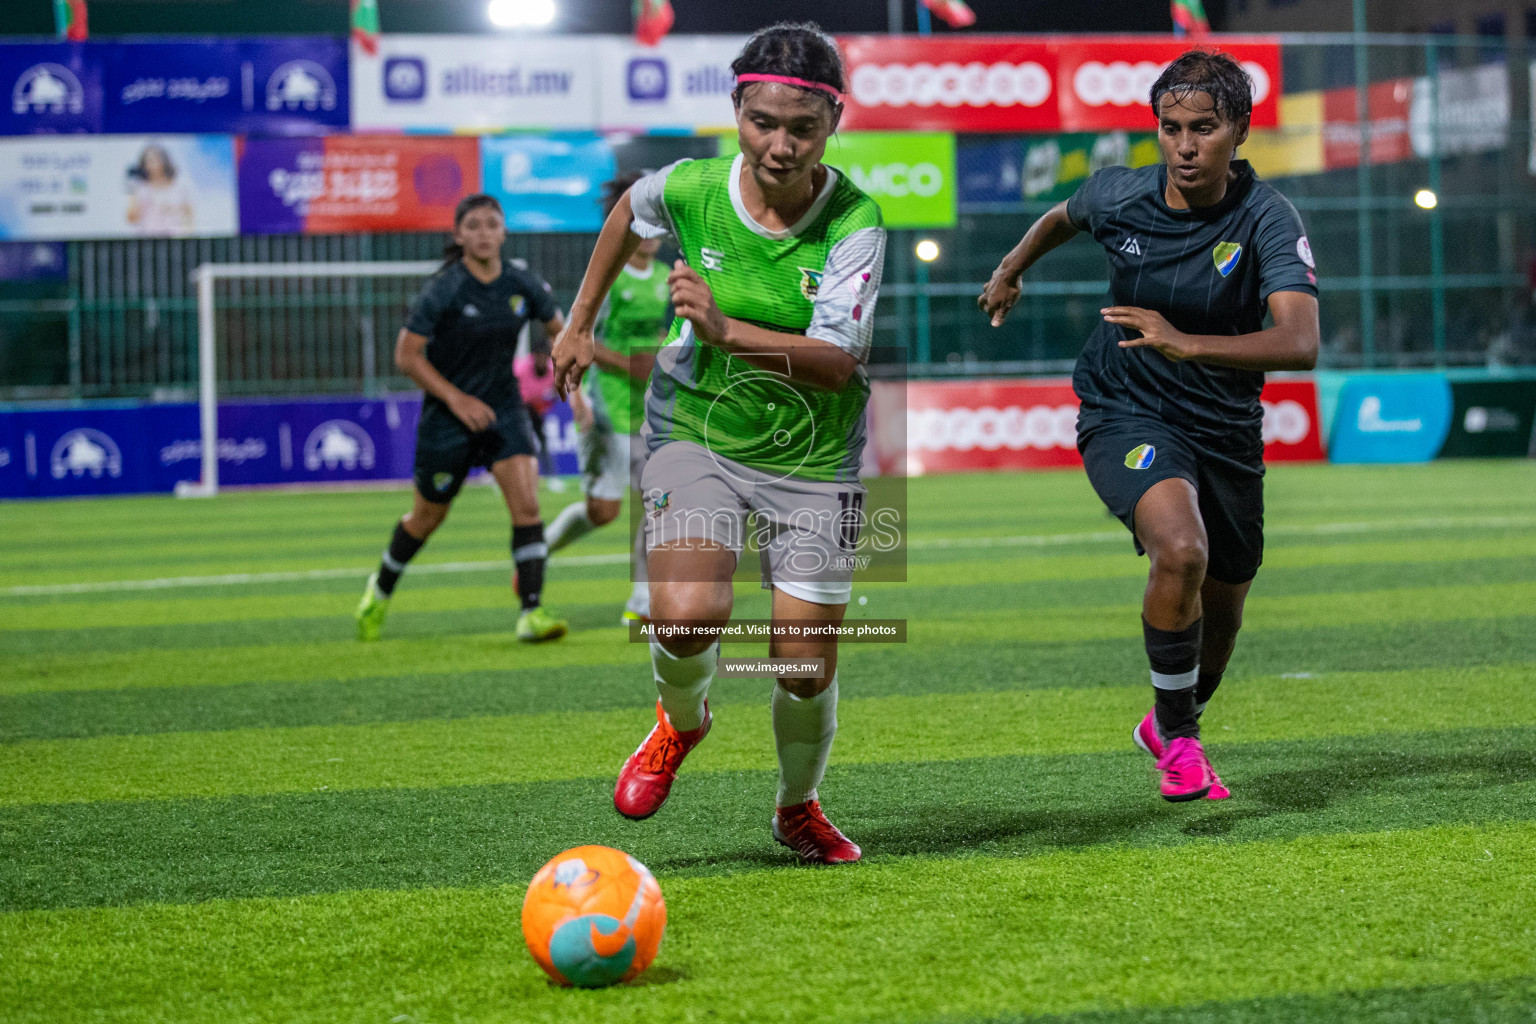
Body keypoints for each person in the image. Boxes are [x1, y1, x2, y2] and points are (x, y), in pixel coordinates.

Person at [551, 22, 885, 864]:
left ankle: (796, 806)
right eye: (762, 122)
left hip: (815, 453)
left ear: (831, 125)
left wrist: (727, 329)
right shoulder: (693, 188)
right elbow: (629, 209)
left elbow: (838, 365)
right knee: (690, 613)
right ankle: (680, 721)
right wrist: (579, 321)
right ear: (737, 108)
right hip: (696, 428)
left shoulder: (856, 220)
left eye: (802, 129)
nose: (780, 145)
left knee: (802, 665)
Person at [978, 51, 1320, 803]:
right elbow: (1061, 216)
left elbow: (1300, 341)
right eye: (1170, 129)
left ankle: (1171, 720)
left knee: (1223, 619)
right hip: (1124, 407)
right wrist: (1011, 266)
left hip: (1224, 427)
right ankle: (1183, 744)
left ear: (1239, 130)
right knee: (1182, 548)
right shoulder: (1120, 195)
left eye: (1205, 128)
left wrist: (1186, 341)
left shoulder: (1267, 217)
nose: (1186, 145)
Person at [356, 193, 569, 643]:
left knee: (528, 506)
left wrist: (572, 375)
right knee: (425, 518)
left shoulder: (520, 282)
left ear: (504, 231)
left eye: (492, 224)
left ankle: (531, 611)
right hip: (447, 419)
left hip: (504, 410)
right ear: (458, 235)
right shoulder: (445, 288)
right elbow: (407, 356)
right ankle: (379, 591)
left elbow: (561, 331)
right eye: (473, 226)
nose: (484, 233)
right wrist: (457, 400)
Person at [546, 172, 667, 624]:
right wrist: (580, 398)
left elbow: (654, 336)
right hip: (608, 403)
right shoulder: (608, 281)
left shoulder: (662, 277)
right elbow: (581, 339)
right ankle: (541, 547)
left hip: (651, 407)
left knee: (655, 502)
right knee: (604, 512)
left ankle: (640, 603)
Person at [126, 144, 193, 237]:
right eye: (148, 161)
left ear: (164, 162)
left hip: (175, 239)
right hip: (149, 240)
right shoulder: (142, 190)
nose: (151, 165)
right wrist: (131, 192)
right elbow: (132, 219)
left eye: (154, 160)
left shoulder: (179, 188)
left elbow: (189, 214)